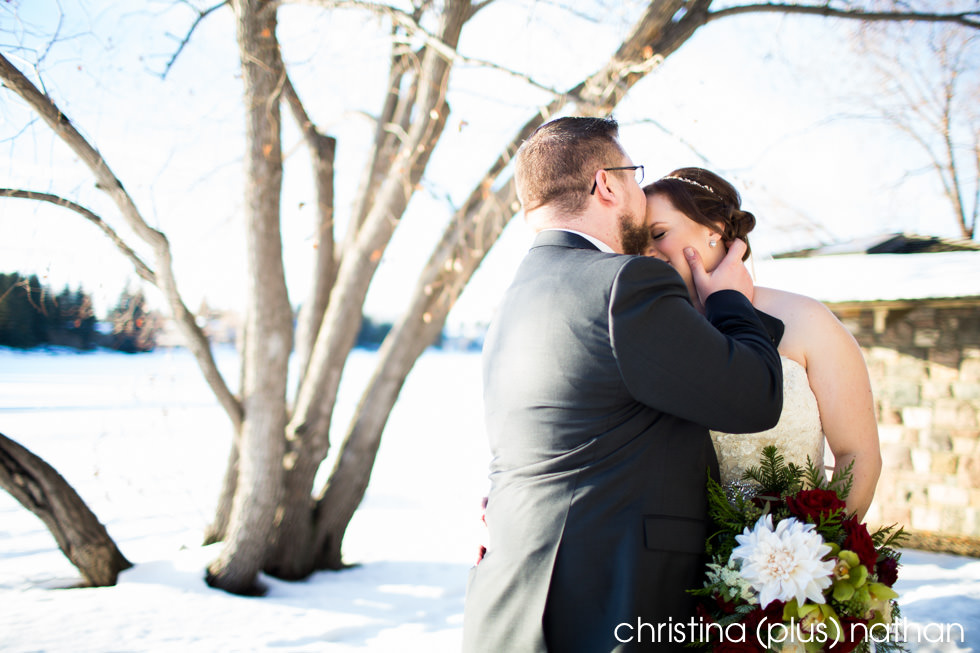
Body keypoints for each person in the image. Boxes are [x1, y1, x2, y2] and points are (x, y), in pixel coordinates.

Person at [461, 117, 784, 652]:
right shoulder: (624, 282)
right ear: (607, 184)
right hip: (610, 610)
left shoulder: (516, 298)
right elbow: (755, 397)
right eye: (635, 176)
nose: (640, 192)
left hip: (510, 604)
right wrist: (730, 299)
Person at [643, 167, 882, 519]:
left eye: (659, 233)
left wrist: (813, 553)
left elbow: (858, 455)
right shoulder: (645, 334)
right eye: (636, 241)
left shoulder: (807, 319)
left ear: (716, 230)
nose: (646, 250)